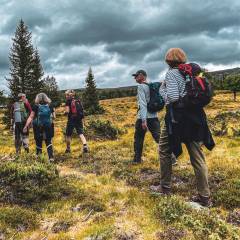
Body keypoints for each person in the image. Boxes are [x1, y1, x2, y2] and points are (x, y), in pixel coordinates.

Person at [156, 48, 215, 207]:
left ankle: (165, 187)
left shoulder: (171, 74)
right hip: (195, 117)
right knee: (197, 157)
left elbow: (173, 98)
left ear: (168, 60)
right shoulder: (190, 72)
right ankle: (205, 197)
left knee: (164, 150)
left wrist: (163, 91)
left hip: (177, 119)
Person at [132, 70, 161, 164]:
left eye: (136, 76)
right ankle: (172, 158)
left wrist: (144, 120)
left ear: (142, 76)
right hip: (154, 116)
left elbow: (143, 104)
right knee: (159, 137)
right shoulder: (152, 85)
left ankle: (137, 160)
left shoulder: (140, 86)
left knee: (138, 139)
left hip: (142, 118)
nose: (135, 78)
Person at [23, 93, 55, 162]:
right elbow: (54, 117)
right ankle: (51, 157)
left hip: (38, 127)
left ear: (37, 98)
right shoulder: (50, 105)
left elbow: (31, 116)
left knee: (38, 142)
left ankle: (39, 159)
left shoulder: (36, 106)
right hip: (48, 126)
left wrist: (26, 126)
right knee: (48, 141)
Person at [64, 90, 89, 154]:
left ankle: (68, 149)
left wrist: (64, 113)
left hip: (71, 120)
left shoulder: (68, 102)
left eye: (66, 95)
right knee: (81, 133)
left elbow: (67, 111)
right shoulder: (78, 101)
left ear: (68, 95)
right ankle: (85, 145)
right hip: (79, 119)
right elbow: (82, 111)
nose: (65, 96)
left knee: (68, 135)